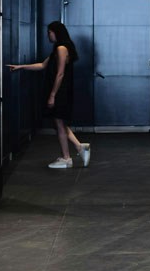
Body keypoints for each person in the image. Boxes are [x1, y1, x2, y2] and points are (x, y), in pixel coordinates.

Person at [8, 21, 91, 169]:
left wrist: (52, 95)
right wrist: (20, 67)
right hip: (60, 91)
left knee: (59, 124)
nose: (48, 35)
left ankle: (67, 158)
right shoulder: (58, 49)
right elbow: (42, 65)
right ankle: (79, 147)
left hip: (60, 91)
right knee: (60, 124)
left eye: (50, 32)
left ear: (56, 32)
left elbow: (60, 74)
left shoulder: (61, 48)